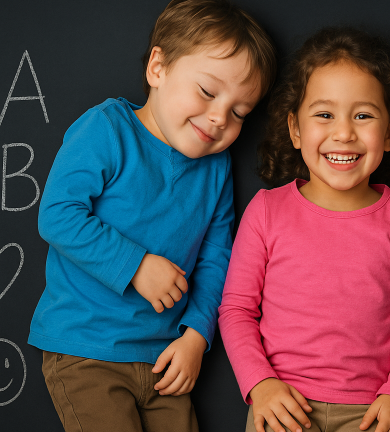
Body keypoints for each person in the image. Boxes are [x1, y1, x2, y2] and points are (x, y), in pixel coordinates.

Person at [28, 1, 276, 431]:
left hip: (165, 361)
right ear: (158, 68)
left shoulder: (215, 168)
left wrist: (197, 336)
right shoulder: (108, 129)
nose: (220, 117)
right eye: (207, 92)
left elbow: (218, 258)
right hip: (87, 350)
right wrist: (137, 266)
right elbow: (57, 214)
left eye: (239, 113)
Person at [218, 27, 390, 432]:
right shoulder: (267, 210)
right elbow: (236, 309)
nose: (343, 133)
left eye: (363, 115)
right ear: (295, 129)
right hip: (282, 406)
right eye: (324, 114)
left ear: (389, 132)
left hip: (372, 412)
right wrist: (260, 384)